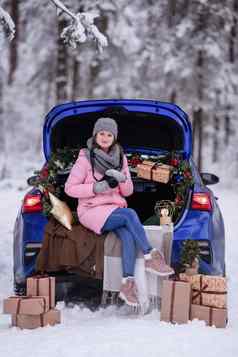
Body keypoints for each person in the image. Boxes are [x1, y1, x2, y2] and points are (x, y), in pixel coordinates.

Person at [64, 117, 174, 307]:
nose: (105, 137)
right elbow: (70, 188)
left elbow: (128, 192)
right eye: (101, 133)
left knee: (127, 237)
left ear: (114, 137)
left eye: (109, 134)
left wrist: (122, 179)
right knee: (130, 214)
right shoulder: (85, 158)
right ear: (95, 135)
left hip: (113, 209)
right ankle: (150, 255)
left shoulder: (120, 157)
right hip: (90, 210)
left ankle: (126, 283)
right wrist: (97, 187)